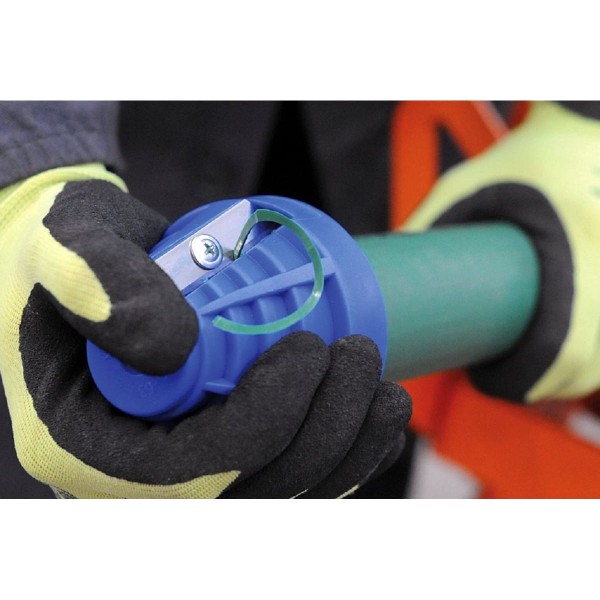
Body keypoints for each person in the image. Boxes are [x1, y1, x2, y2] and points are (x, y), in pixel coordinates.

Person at [1, 100, 600, 498]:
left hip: (400, 212)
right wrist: (26, 173)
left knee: (337, 446)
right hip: (115, 192)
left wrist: (585, 122)